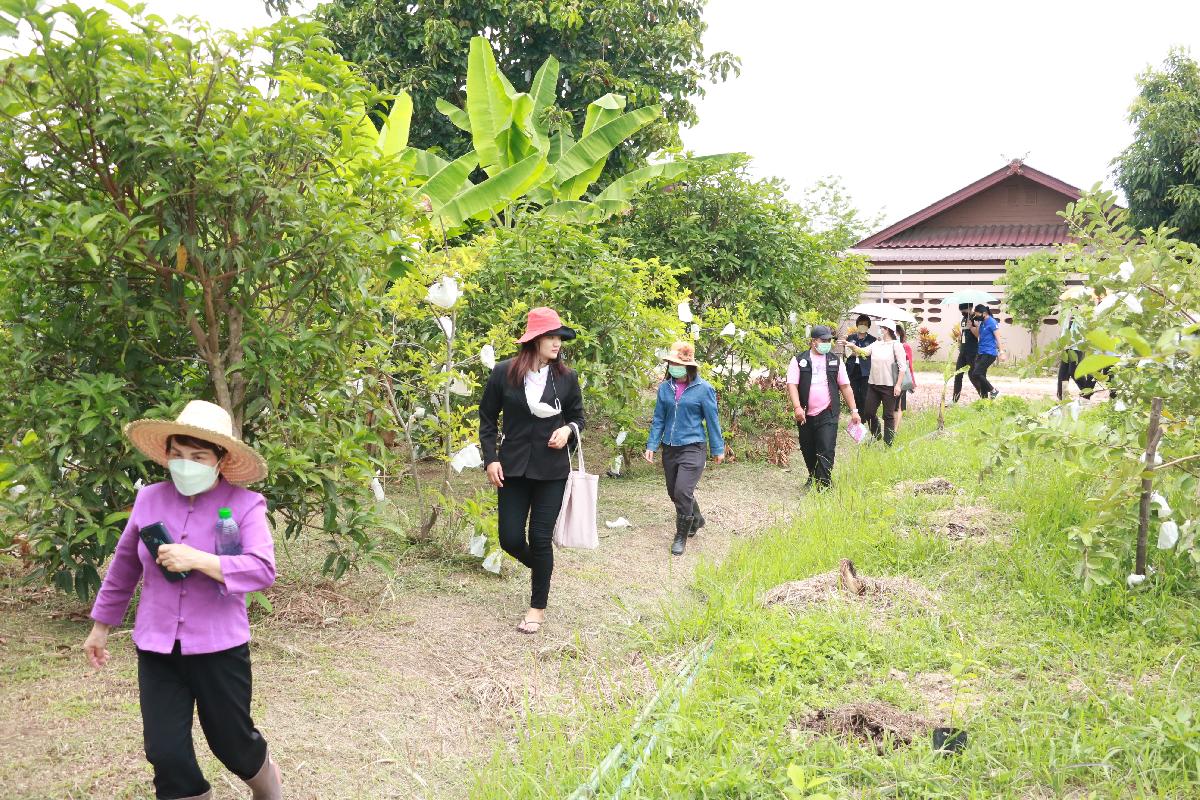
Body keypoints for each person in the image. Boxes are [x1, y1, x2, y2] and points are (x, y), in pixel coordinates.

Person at [83, 400, 282, 800]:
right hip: (156, 647)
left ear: (220, 460)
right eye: (177, 454)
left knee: (232, 743)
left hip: (219, 648)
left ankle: (269, 790)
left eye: (198, 456)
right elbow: (124, 566)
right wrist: (100, 627)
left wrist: (200, 559)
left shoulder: (246, 505)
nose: (185, 464)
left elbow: (262, 570)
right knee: (165, 752)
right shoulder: (149, 499)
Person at [479, 307, 585, 635]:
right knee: (510, 539)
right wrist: (491, 459)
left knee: (540, 538)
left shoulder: (566, 378)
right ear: (534, 339)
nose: (557, 343)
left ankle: (537, 608)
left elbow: (578, 418)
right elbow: (487, 419)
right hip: (511, 468)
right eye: (551, 337)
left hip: (552, 470)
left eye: (559, 337)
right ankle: (542, 568)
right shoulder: (504, 373)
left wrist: (567, 430)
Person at [644, 341, 725, 556]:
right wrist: (652, 444)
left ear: (688, 366)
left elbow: (712, 420)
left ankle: (681, 536)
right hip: (670, 447)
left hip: (693, 446)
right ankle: (696, 518)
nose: (673, 367)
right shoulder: (665, 388)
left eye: (677, 364)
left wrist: (718, 448)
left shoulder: (704, 389)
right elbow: (659, 419)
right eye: (671, 363)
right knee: (674, 492)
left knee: (682, 491)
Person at [785, 325, 862, 490]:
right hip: (805, 414)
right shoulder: (799, 360)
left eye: (829, 340)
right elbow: (792, 384)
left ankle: (824, 484)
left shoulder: (835, 360)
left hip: (828, 412)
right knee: (808, 448)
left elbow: (845, 386)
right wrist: (797, 407)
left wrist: (854, 411)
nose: (827, 343)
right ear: (814, 341)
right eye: (824, 340)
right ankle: (813, 476)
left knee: (826, 448)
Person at [861, 319, 907, 446]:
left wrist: (898, 385)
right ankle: (876, 434)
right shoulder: (876, 344)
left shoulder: (896, 345)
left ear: (887, 330)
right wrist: (851, 346)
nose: (879, 330)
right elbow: (863, 351)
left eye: (881, 328)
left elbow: (903, 367)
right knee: (868, 412)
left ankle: (888, 443)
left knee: (888, 415)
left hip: (889, 386)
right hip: (874, 384)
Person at [1057, 310, 1098, 401]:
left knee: (1073, 371)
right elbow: (1065, 329)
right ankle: (1062, 397)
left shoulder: (1082, 313)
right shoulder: (1067, 313)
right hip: (1066, 346)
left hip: (1077, 347)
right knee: (1063, 374)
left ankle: (1086, 392)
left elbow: (1084, 331)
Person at [843, 314, 876, 414]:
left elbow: (871, 354)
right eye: (861, 323)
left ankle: (863, 416)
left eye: (865, 324)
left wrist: (856, 351)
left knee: (864, 395)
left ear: (868, 326)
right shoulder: (850, 338)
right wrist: (860, 352)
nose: (863, 326)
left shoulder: (872, 340)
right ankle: (855, 413)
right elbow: (846, 353)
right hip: (852, 369)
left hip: (866, 370)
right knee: (854, 393)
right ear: (857, 325)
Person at [969, 303, 1001, 400]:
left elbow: (998, 338)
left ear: (984, 313)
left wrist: (1002, 352)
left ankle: (993, 390)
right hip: (981, 353)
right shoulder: (982, 323)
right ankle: (984, 399)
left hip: (989, 353)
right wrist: (972, 326)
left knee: (976, 373)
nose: (976, 316)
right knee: (981, 375)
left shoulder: (992, 322)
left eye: (977, 314)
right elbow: (978, 335)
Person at [950, 302, 978, 404]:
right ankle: (954, 400)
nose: (963, 313)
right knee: (958, 375)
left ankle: (984, 397)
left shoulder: (976, 318)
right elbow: (964, 333)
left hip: (972, 351)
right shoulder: (964, 318)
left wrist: (971, 327)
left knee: (973, 376)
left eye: (964, 311)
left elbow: (978, 335)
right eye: (961, 311)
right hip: (963, 351)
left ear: (970, 308)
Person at [894, 323, 916, 429]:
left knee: (898, 405)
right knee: (891, 405)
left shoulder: (905, 346)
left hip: (901, 378)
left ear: (900, 334)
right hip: (889, 378)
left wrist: (912, 382)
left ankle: (895, 430)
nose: (894, 335)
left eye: (896, 332)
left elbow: (909, 365)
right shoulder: (887, 346)